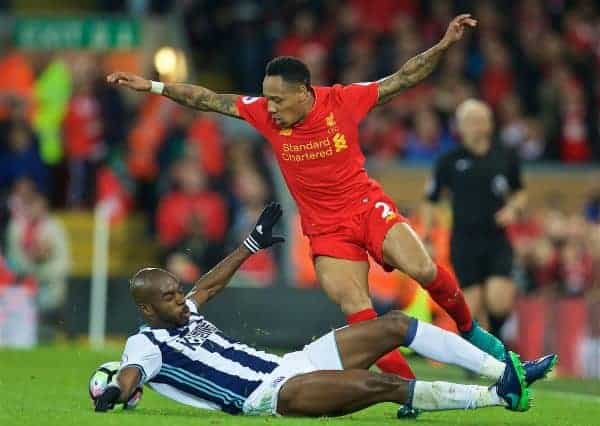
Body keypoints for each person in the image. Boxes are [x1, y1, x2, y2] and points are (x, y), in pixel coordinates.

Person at [107, 15, 507, 390]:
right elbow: (208, 99)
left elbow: (404, 78)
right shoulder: (264, 113)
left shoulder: (343, 102)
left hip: (366, 206)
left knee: (422, 267)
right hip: (324, 228)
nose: (271, 107)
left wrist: (443, 45)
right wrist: (155, 87)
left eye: (279, 100)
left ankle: (471, 331)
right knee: (357, 307)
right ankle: (409, 391)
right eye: (267, 99)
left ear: (304, 93)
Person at [94, 203, 556, 417]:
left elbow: (208, 286)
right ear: (147, 309)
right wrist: (115, 392)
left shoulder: (184, 311)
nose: (181, 299)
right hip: (272, 395)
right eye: (170, 297)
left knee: (392, 324)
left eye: (178, 291)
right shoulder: (146, 343)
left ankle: (505, 370)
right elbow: (132, 375)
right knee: (385, 384)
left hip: (293, 363)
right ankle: (498, 397)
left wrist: (251, 244)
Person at [422, 99, 526, 339]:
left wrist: (513, 209)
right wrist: (426, 236)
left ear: (490, 124)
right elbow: (430, 199)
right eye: (471, 121)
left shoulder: (505, 156)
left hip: (496, 237)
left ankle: (499, 343)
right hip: (463, 240)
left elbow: (520, 191)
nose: (477, 126)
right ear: (459, 126)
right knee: (472, 305)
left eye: (481, 120)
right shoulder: (448, 160)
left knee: (499, 301)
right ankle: (479, 357)